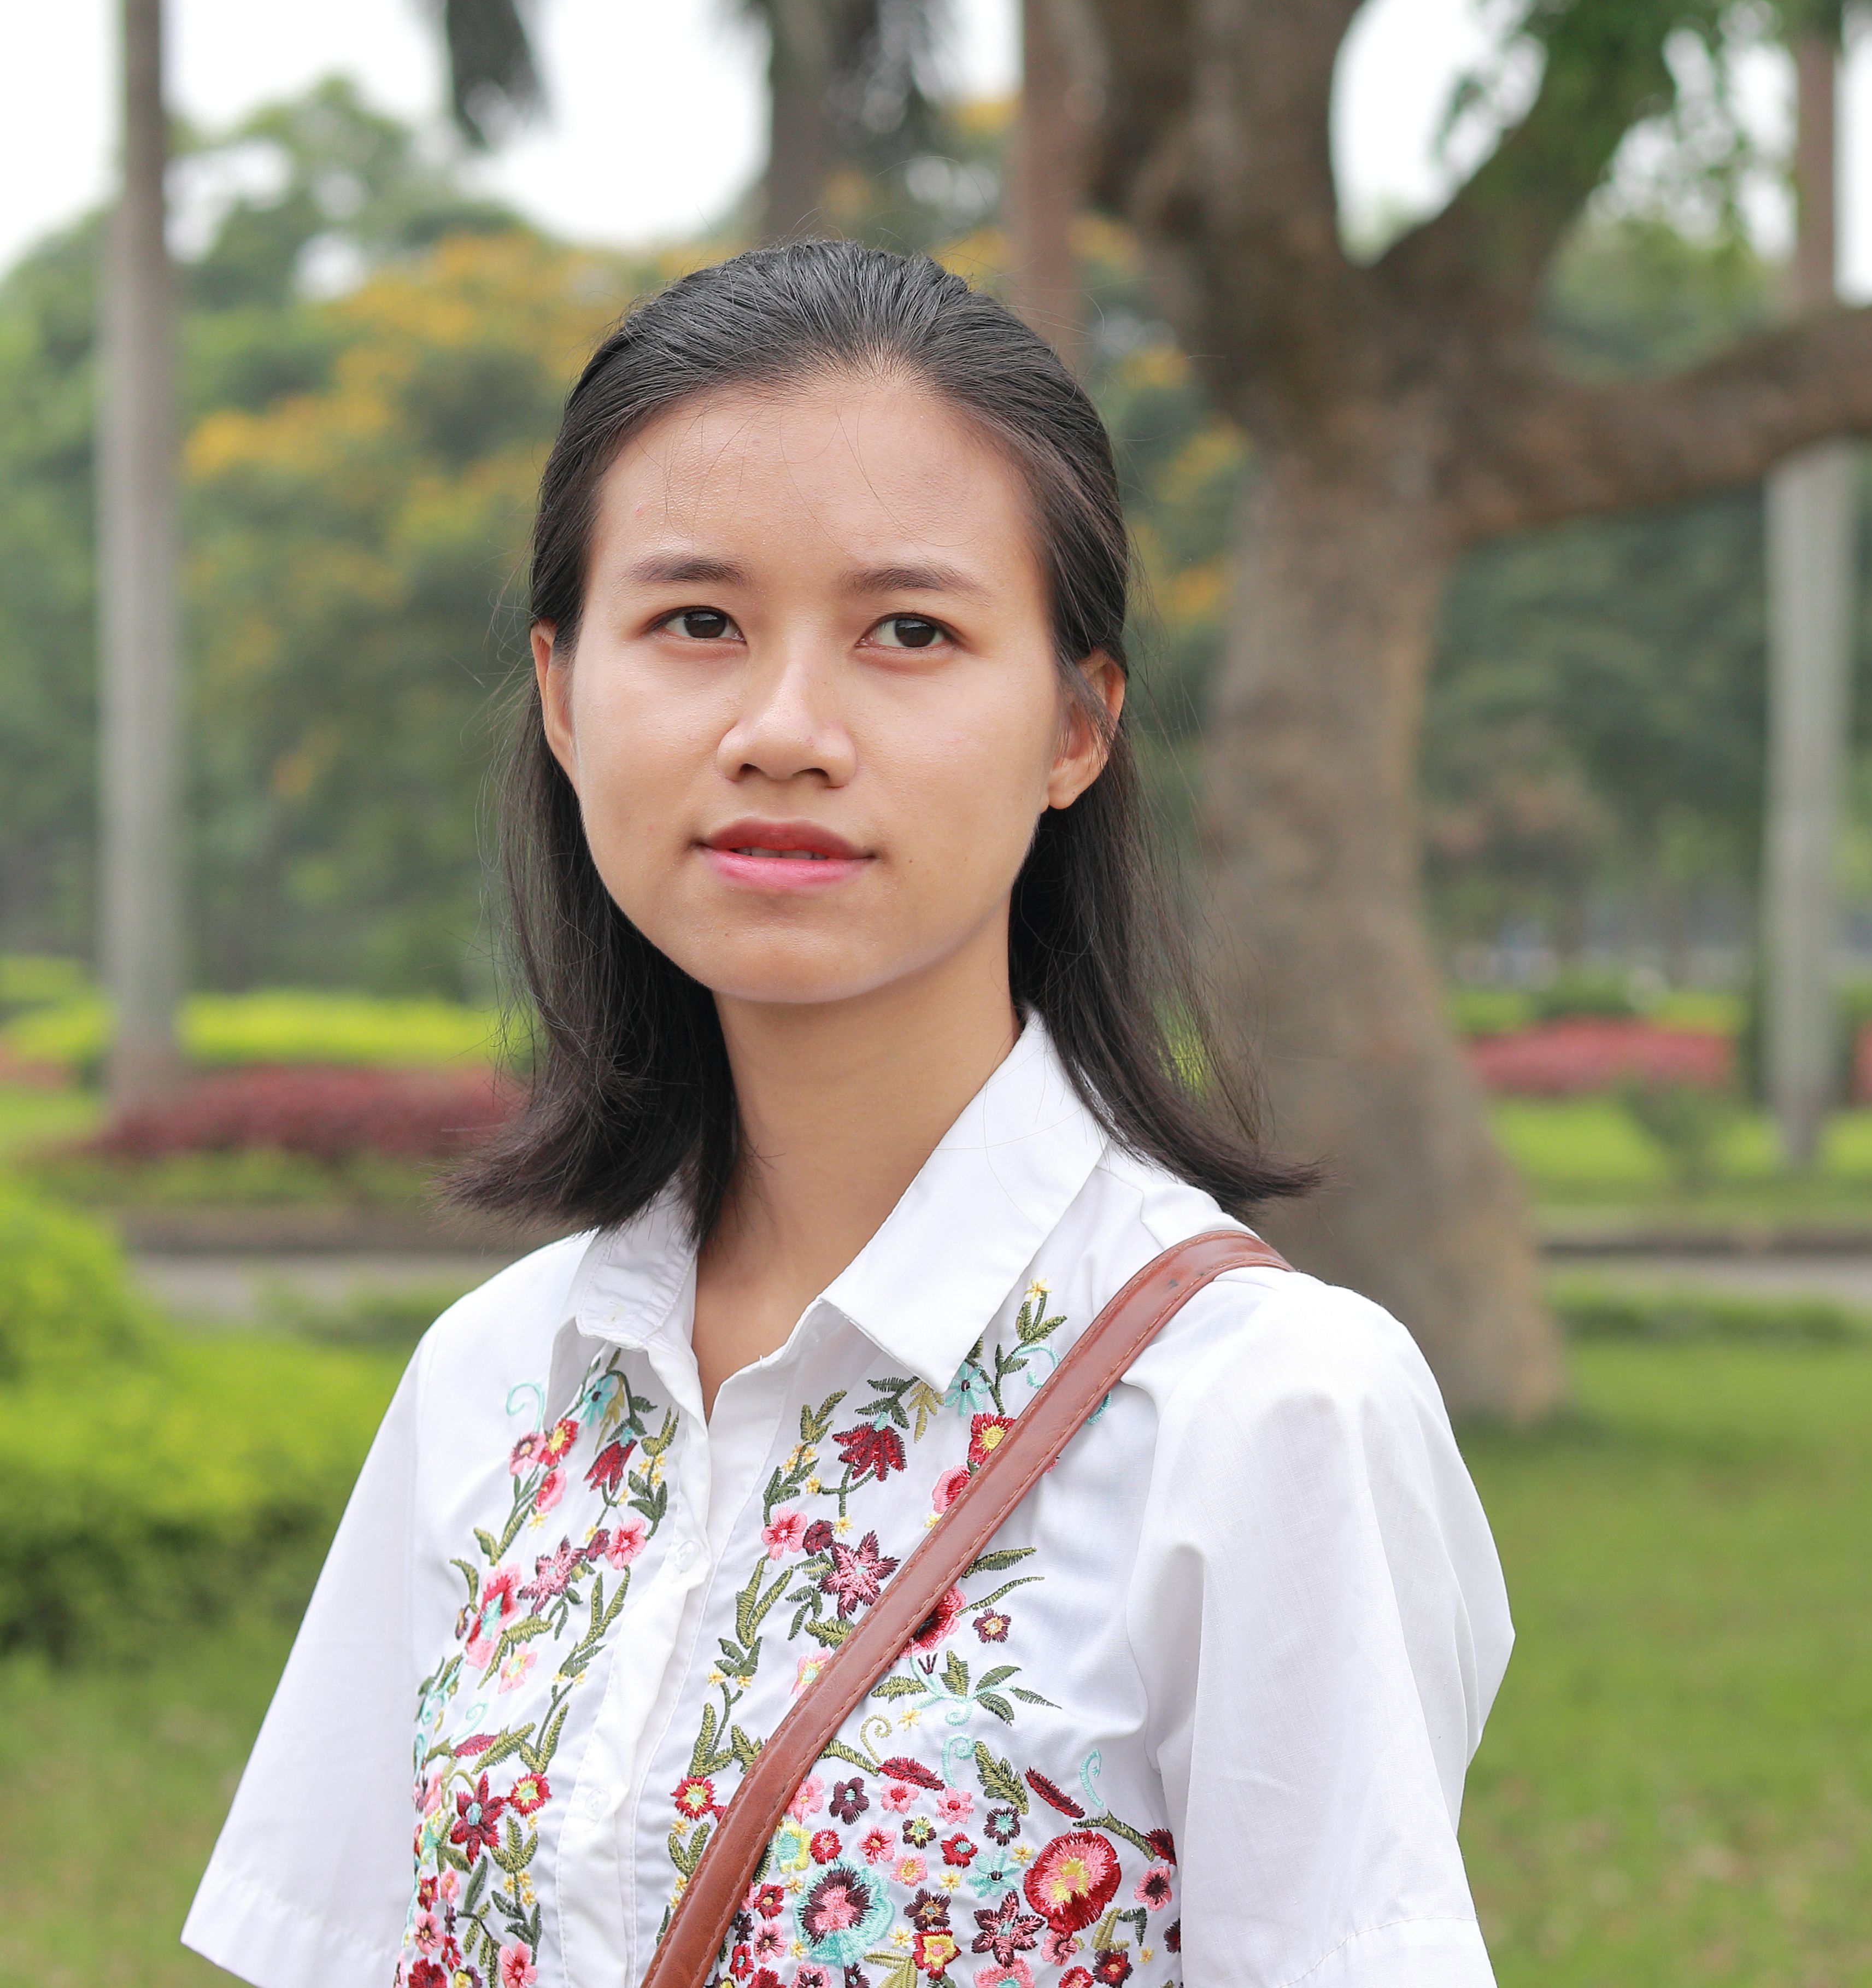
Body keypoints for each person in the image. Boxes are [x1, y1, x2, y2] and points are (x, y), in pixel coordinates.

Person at [183, 242, 1513, 1988]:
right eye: (696, 624)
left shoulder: (1261, 1411)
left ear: (1072, 726)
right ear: (568, 695)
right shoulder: (496, 1385)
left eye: (909, 632)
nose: (786, 729)